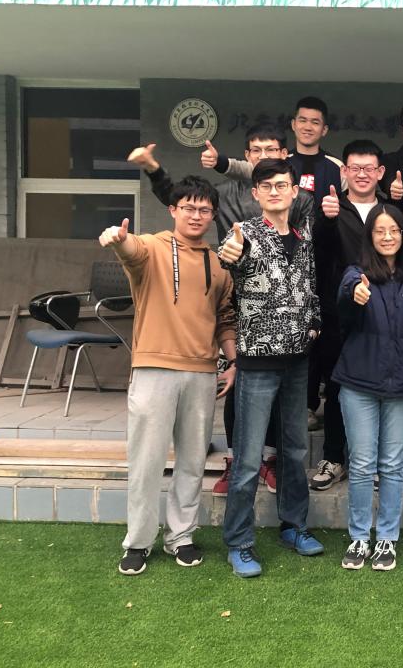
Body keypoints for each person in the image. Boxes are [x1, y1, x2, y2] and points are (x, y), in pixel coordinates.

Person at [127, 128, 315, 495]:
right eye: (256, 150)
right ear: (247, 155)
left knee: (282, 397)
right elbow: (182, 200)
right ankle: (235, 461)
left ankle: (270, 460)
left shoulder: (297, 200)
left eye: (271, 150)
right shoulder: (226, 194)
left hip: (283, 311)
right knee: (239, 386)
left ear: (284, 155)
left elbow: (305, 247)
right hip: (236, 296)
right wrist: (153, 169)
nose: (263, 155)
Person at [100, 174, 237, 576]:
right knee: (146, 461)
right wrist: (117, 238)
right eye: (189, 207)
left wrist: (233, 362)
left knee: (192, 461)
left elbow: (225, 319)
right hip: (153, 369)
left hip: (201, 372)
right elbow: (130, 251)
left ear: (213, 216)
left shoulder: (219, 264)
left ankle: (182, 536)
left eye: (204, 210)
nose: (196, 215)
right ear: (173, 210)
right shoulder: (152, 247)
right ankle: (138, 542)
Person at [217, 159, 324, 578]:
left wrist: (314, 324)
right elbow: (230, 257)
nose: (275, 191)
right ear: (256, 193)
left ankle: (294, 526)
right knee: (247, 458)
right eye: (267, 186)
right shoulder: (244, 233)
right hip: (258, 363)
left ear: (294, 191)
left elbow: (310, 287)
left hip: (297, 361)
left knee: (295, 451)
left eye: (282, 185)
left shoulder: (303, 235)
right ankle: (239, 542)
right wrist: (231, 252)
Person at [332, 205, 403, 572]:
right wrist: (354, 294)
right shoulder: (357, 274)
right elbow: (345, 304)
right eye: (379, 231)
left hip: (400, 388)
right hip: (358, 384)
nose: (387, 237)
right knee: (362, 464)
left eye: (394, 229)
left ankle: (387, 539)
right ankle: (359, 536)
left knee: (393, 466)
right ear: (369, 236)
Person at [309, 140, 387, 491]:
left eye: (369, 168)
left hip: (382, 313)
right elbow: (318, 254)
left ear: (380, 172)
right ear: (344, 171)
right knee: (337, 386)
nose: (362, 174)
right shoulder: (331, 207)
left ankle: (369, 462)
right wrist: (326, 222)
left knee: (377, 386)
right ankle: (333, 458)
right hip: (337, 313)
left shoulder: (390, 210)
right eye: (355, 168)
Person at [204, 96, 344, 207]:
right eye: (302, 120)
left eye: (315, 122)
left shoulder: (337, 167)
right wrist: (218, 161)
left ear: (324, 129)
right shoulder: (279, 160)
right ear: (293, 124)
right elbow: (245, 168)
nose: (308, 127)